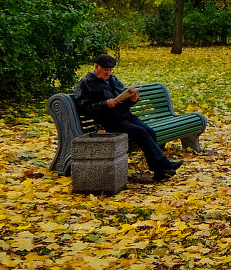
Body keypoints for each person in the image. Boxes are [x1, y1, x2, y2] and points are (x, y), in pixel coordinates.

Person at [73, 53, 183, 182]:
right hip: (107, 121)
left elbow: (124, 102)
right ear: (97, 67)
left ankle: (159, 171)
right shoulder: (85, 84)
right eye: (105, 70)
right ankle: (164, 163)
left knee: (150, 131)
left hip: (124, 115)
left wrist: (132, 100)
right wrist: (105, 104)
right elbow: (84, 108)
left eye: (110, 70)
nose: (108, 73)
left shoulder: (114, 80)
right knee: (140, 132)